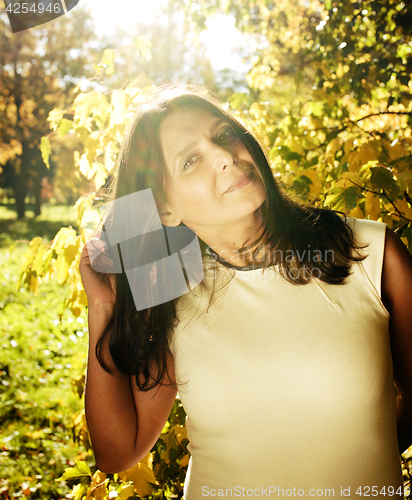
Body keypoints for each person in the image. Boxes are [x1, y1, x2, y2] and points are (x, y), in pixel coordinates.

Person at [79, 82, 412, 499]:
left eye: (223, 135)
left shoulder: (371, 254)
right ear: (164, 208)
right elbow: (116, 452)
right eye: (189, 161)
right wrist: (103, 307)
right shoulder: (171, 290)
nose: (223, 156)